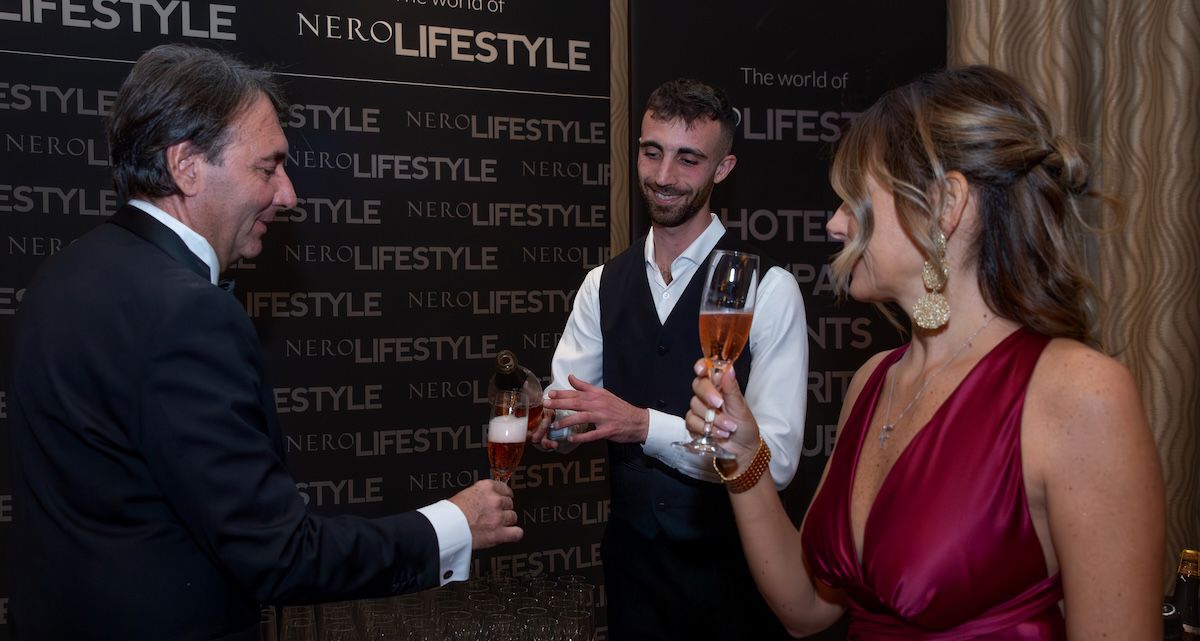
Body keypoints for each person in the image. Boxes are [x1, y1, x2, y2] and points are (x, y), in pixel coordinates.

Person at [5, 44, 522, 640]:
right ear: (186, 165)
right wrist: (453, 524)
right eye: (267, 168)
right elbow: (278, 553)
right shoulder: (188, 312)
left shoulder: (64, 273)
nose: (288, 194)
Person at [687, 65, 1166, 639]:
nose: (835, 224)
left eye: (856, 200)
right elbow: (805, 607)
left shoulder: (1078, 393)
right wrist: (742, 456)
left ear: (944, 204)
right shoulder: (873, 380)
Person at [531, 78, 809, 640]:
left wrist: (641, 425)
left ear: (722, 169)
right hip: (631, 583)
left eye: (688, 159)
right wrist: (554, 426)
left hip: (735, 590)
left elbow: (774, 463)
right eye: (651, 152)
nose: (662, 176)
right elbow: (569, 412)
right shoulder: (602, 284)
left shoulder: (769, 288)